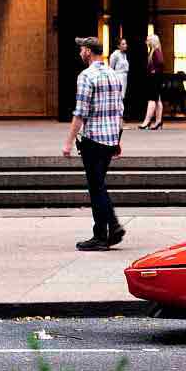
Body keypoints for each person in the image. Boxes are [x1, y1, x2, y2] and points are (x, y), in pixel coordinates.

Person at [62, 37, 125, 251]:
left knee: (96, 187)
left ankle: (106, 231)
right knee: (99, 185)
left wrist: (68, 142)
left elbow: (80, 113)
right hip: (109, 140)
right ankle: (108, 230)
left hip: (93, 140)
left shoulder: (86, 76)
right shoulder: (113, 75)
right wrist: (117, 140)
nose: (80, 52)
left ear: (88, 51)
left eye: (81, 49)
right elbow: (120, 111)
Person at [141, 33, 164, 130]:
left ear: (152, 41)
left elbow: (160, 62)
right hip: (156, 78)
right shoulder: (154, 51)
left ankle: (146, 121)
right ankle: (158, 121)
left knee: (152, 99)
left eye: (148, 40)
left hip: (154, 78)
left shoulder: (155, 51)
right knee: (158, 100)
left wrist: (154, 71)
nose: (146, 42)